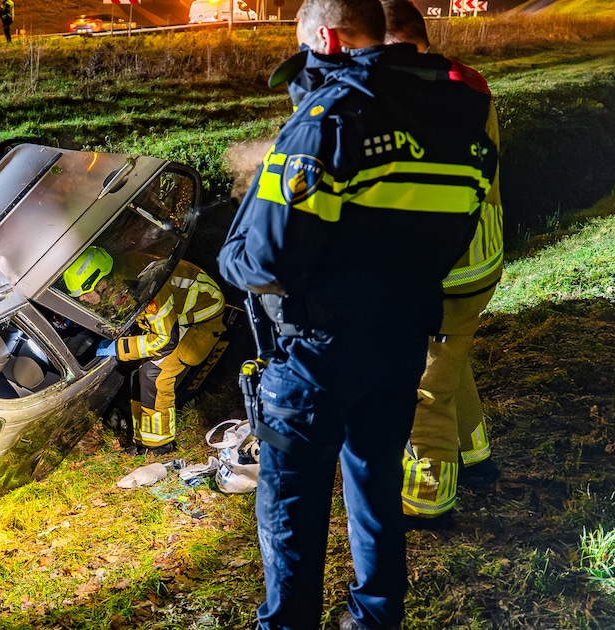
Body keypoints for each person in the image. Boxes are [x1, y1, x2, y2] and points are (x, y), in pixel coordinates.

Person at [217, 0, 496, 626]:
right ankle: (376, 616)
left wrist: (232, 259)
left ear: (327, 35)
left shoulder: (328, 121)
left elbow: (264, 260)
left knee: (293, 501)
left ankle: (289, 622)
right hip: (401, 341)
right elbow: (449, 240)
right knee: (374, 487)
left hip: (316, 350)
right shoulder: (459, 121)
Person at [381, 0, 504, 525]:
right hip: (480, 254)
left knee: (422, 386)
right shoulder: (468, 84)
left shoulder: (406, 93)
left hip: (441, 267)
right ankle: (474, 457)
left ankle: (428, 504)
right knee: (452, 354)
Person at [67, 247, 229, 455]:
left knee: (154, 374)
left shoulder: (149, 288)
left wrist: (120, 348)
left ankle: (160, 446)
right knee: (137, 375)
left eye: (83, 293)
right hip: (179, 318)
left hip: (200, 323)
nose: (82, 299)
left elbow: (165, 341)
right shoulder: (123, 274)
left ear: (100, 282)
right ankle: (142, 439)